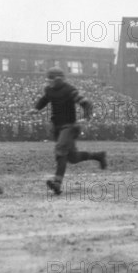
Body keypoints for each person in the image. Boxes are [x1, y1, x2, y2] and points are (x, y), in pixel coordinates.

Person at [27, 67, 107, 195]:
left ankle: (57, 183)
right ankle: (98, 156)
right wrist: (36, 108)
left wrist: (86, 117)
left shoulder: (70, 90)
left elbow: (86, 104)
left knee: (60, 149)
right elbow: (45, 99)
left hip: (69, 126)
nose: (48, 83)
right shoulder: (49, 90)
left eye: (50, 80)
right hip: (58, 127)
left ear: (58, 79)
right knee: (72, 158)